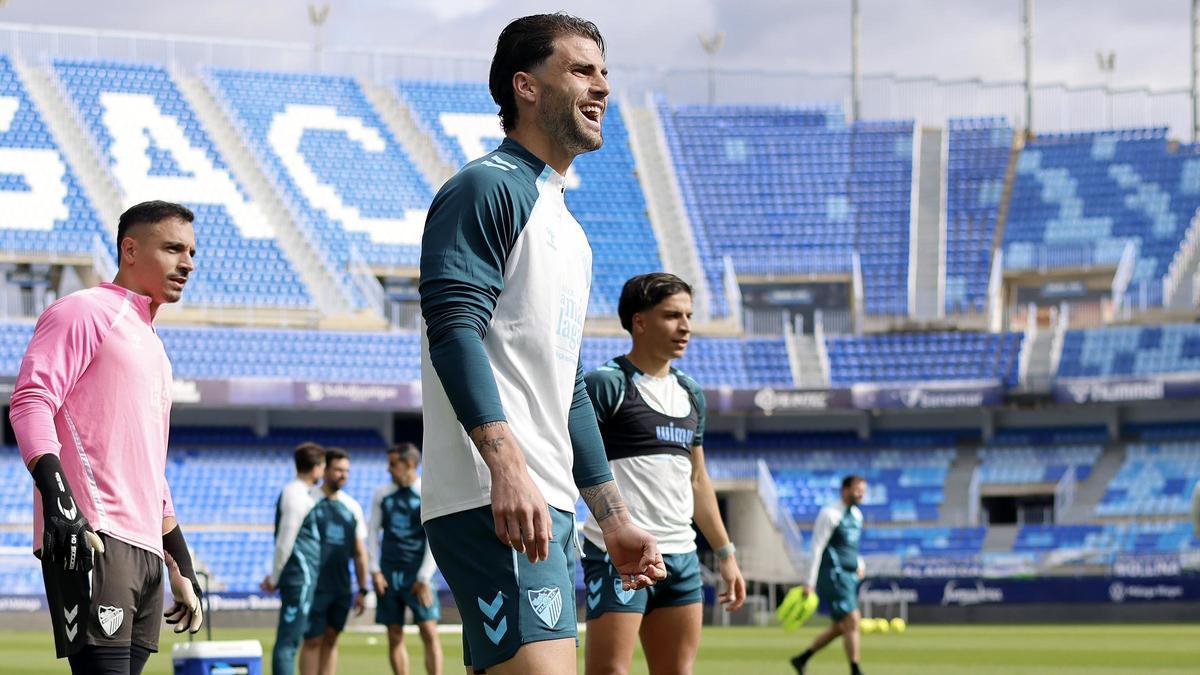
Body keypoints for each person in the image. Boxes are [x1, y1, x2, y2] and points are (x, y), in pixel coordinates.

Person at [418, 12, 666, 675]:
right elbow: (454, 328)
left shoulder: (569, 228)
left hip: (546, 499)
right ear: (525, 87)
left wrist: (612, 517)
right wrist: (506, 466)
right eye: (581, 70)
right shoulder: (486, 187)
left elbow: (568, 388)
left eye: (605, 72)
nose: (602, 86)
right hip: (493, 493)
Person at [9, 200, 203, 675]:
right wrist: (60, 503)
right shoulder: (83, 311)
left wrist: (180, 564)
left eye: (192, 252)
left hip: (146, 551)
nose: (187, 263)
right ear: (130, 250)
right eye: (173, 249)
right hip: (94, 536)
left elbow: (151, 470)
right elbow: (31, 401)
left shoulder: (155, 346)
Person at [581, 273, 746, 675]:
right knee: (610, 672)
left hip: (682, 558)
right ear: (639, 321)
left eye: (688, 315)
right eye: (673, 315)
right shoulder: (607, 384)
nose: (686, 326)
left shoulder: (691, 392)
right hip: (619, 556)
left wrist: (726, 555)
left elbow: (698, 480)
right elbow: (575, 460)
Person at [368, 443, 444, 675]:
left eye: (393, 464)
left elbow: (434, 537)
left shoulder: (426, 493)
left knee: (428, 631)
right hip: (389, 573)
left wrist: (424, 576)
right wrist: (375, 570)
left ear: (409, 464)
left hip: (418, 573)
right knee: (394, 633)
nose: (388, 469)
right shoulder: (382, 494)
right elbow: (372, 532)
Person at [301, 447, 369, 675]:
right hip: (313, 586)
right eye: (338, 470)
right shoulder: (308, 500)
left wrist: (362, 588)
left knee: (331, 639)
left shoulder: (352, 507)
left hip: (341, 587)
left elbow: (359, 552)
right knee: (312, 640)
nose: (343, 475)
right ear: (325, 469)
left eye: (346, 471)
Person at [791, 475, 868, 675]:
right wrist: (809, 581)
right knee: (853, 619)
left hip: (849, 576)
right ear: (845, 490)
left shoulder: (857, 516)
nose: (861, 494)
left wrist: (859, 563)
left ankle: (802, 658)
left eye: (863, 491)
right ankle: (856, 670)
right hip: (834, 574)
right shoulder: (830, 514)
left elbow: (851, 546)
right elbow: (817, 547)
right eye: (858, 490)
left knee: (841, 627)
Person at [262, 442, 327, 675]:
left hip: (303, 576)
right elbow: (285, 540)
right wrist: (275, 577)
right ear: (317, 467)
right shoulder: (296, 494)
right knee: (288, 642)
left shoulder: (302, 493)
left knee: (291, 640)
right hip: (300, 576)